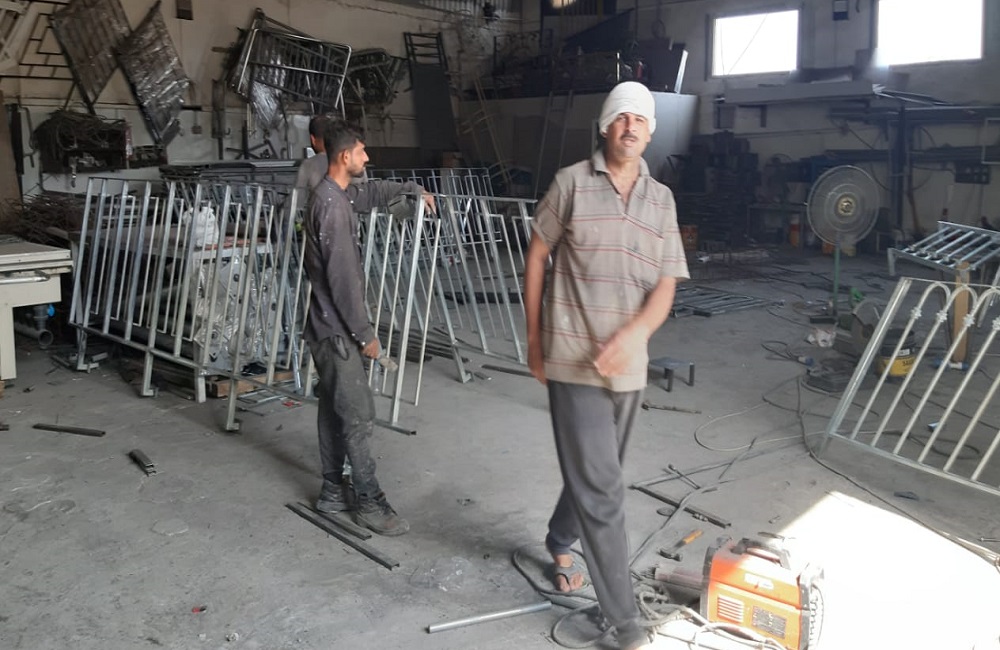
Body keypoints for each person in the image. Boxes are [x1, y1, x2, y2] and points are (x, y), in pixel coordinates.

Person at [522, 81, 690, 650]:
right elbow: (538, 253)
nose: (630, 126)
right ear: (604, 126)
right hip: (572, 359)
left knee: (600, 473)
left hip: (629, 366)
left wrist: (637, 333)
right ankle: (625, 621)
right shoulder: (571, 183)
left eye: (640, 119)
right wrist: (534, 340)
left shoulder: (661, 200)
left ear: (650, 130)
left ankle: (559, 539)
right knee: (603, 489)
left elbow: (666, 284)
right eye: (621, 117)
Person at [302, 121, 434, 536]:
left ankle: (331, 492)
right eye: (362, 151)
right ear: (345, 157)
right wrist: (365, 335)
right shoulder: (332, 208)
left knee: (333, 410)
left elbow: (372, 192)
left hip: (326, 327)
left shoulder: (337, 194)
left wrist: (412, 190)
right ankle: (369, 501)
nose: (367, 157)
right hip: (338, 331)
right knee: (358, 416)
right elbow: (342, 282)